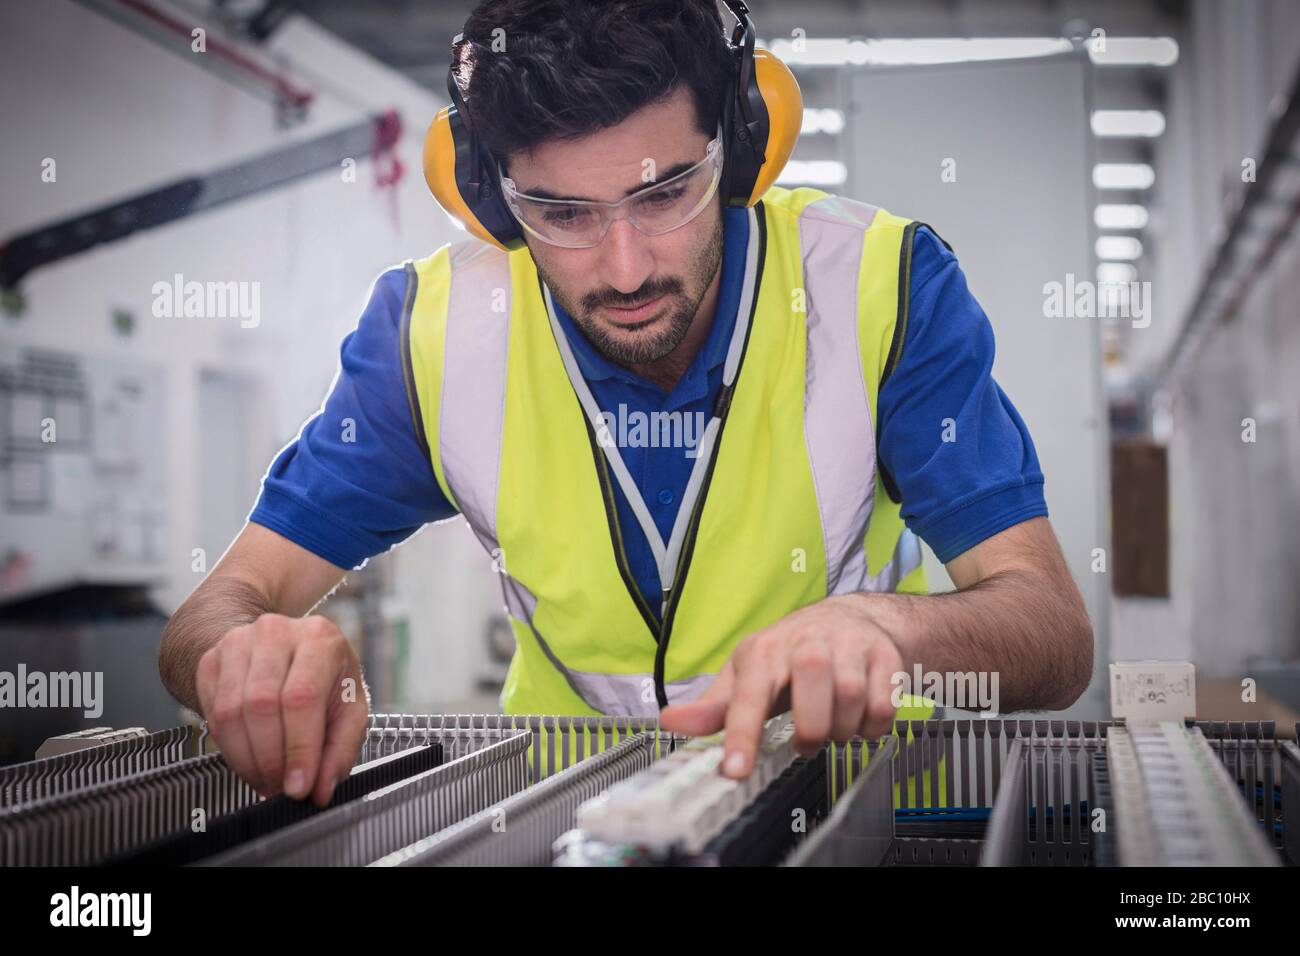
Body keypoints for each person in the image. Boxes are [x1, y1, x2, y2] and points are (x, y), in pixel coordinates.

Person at [159, 0, 1092, 808]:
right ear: (488, 195)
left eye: (666, 193)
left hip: (858, 813)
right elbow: (211, 612)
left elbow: (1051, 633)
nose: (626, 265)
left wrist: (889, 630)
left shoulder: (879, 290)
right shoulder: (427, 336)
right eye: (561, 213)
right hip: (569, 823)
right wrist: (246, 654)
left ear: (741, 146)